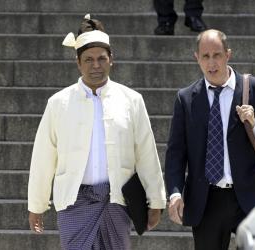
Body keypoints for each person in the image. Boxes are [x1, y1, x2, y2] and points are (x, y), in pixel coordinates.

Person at [27, 14, 166, 250]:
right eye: (88, 59)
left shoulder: (131, 100)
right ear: (78, 62)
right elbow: (43, 157)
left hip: (116, 201)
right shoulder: (58, 103)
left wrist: (156, 199)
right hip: (73, 202)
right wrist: (37, 205)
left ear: (112, 59)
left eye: (101, 58)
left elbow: (146, 152)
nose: (96, 66)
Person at [165, 29, 255, 250]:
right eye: (205, 56)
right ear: (196, 58)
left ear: (228, 55)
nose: (211, 63)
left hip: (247, 197)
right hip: (206, 200)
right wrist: (174, 191)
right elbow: (176, 153)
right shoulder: (186, 98)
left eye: (217, 55)